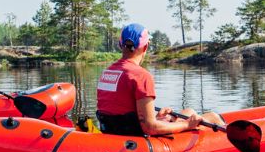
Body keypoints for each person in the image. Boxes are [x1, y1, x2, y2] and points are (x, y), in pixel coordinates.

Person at [95, 23, 223, 136]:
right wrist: (187, 125)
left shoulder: (106, 73)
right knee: (212, 117)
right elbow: (150, 128)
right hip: (137, 139)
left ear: (120, 44)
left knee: (188, 111)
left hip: (115, 133)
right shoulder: (141, 76)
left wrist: (157, 117)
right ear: (146, 47)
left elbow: (122, 113)